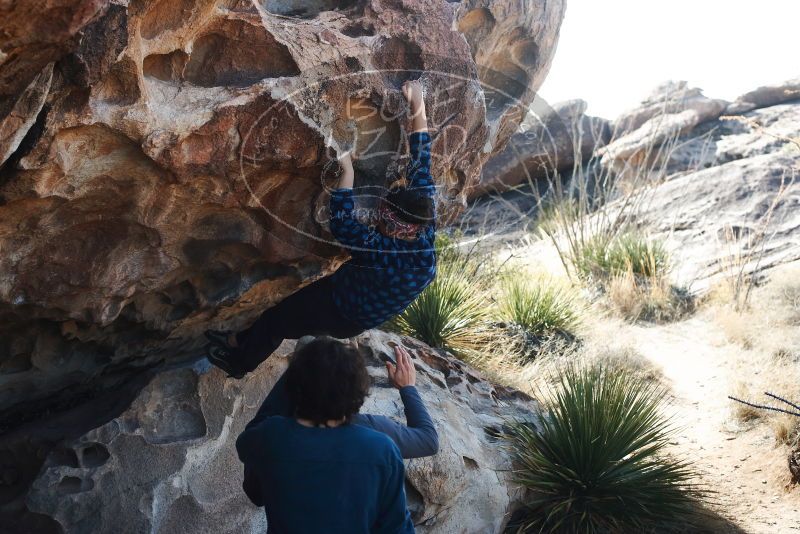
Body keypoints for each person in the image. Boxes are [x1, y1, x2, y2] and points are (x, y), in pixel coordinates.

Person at [205, 79, 435, 379]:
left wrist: (347, 171)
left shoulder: (385, 251)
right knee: (283, 311)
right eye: (382, 211)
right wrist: (417, 102)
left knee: (280, 320)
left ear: (401, 228)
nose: (380, 218)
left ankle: (240, 363)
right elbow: (422, 154)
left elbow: (343, 224)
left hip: (343, 310)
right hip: (356, 294)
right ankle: (237, 340)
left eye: (386, 219)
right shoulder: (423, 218)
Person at [236, 337, 436, 534]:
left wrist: (305, 367)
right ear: (359, 391)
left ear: (293, 385)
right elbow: (428, 440)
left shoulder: (270, 436)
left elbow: (251, 439)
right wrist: (408, 388)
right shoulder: (381, 447)